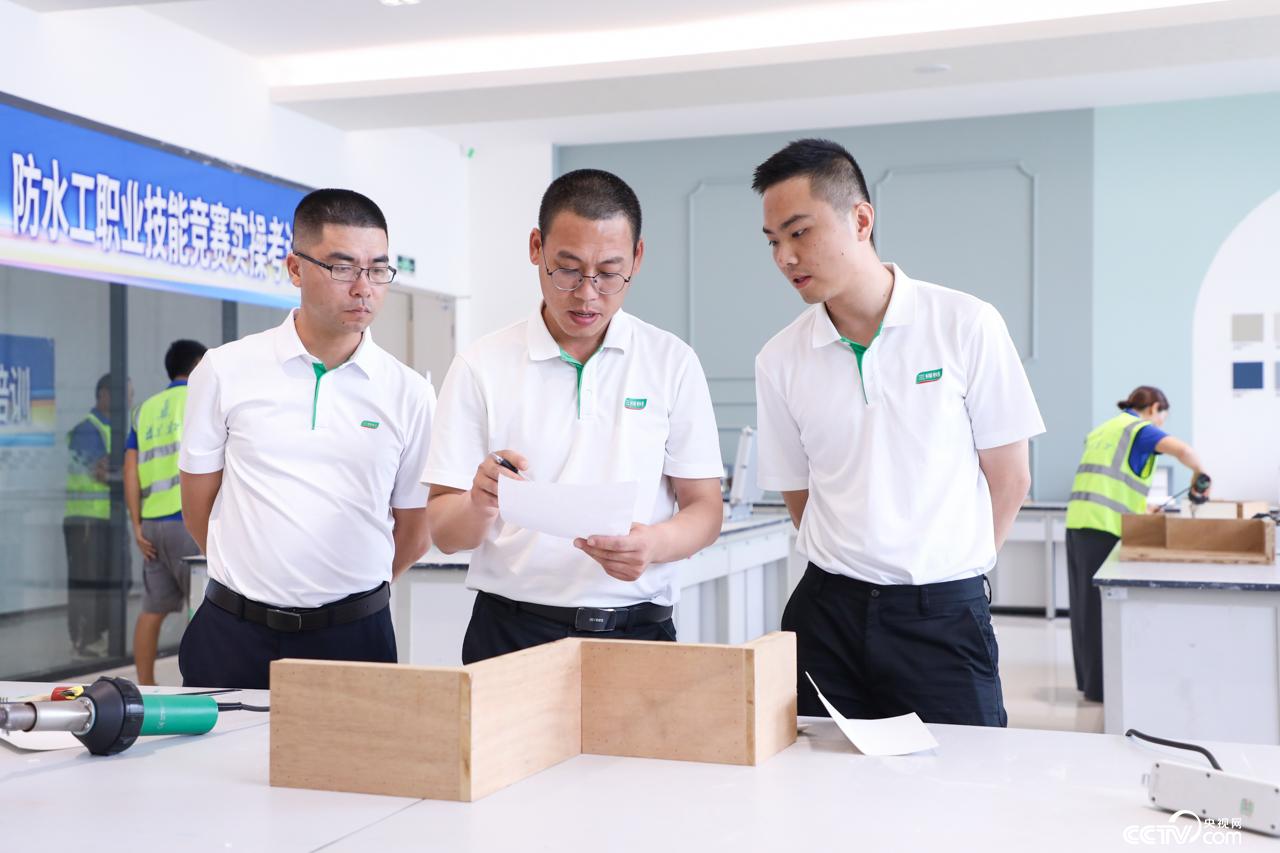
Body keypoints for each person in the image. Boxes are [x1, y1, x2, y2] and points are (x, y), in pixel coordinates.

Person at [752, 138, 1045, 726]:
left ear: (861, 220)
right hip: (826, 615)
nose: (785, 257)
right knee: (819, 775)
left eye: (799, 232)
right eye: (773, 241)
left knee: (966, 774)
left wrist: (953, 570)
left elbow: (1010, 478)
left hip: (943, 614)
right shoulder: (779, 358)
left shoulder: (965, 324)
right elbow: (799, 493)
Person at [424, 169, 724, 664]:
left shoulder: (671, 361)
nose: (587, 294)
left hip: (638, 633)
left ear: (637, 258)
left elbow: (705, 509)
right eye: (567, 270)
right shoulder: (481, 365)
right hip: (512, 634)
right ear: (536, 248)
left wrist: (655, 543)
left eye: (609, 273)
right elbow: (444, 532)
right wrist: (478, 502)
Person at [177, 189, 434, 689]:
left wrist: (347, 594)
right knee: (217, 745)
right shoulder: (225, 370)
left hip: (355, 638)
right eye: (342, 268)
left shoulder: (410, 392)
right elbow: (197, 509)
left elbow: (414, 529)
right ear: (295, 269)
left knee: (351, 745)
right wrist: (257, 576)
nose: (363, 288)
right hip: (233, 631)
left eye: (378, 269)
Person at [1064, 385, 1205, 703]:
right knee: (1103, 610)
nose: (1162, 424)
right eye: (1163, 416)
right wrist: (1201, 472)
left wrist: (1142, 508)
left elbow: (1109, 483)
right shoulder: (1140, 429)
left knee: (1085, 609)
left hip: (1079, 523)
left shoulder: (1104, 430)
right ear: (1154, 408)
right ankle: (1101, 690)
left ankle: (1089, 683)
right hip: (1104, 529)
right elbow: (1182, 450)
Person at [123, 339, 206, 685]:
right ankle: (199, 685)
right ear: (198, 366)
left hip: (152, 527)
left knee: (152, 610)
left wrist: (136, 525)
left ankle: (145, 686)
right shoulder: (202, 400)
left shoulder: (145, 409)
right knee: (203, 609)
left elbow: (130, 470)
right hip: (190, 523)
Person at [64, 373, 132, 657]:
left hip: (109, 518)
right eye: (125, 395)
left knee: (117, 579)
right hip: (87, 520)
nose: (129, 402)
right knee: (89, 582)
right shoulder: (88, 429)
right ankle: (85, 639)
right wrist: (133, 476)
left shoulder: (113, 430)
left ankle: (100, 635)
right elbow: (101, 472)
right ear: (104, 394)